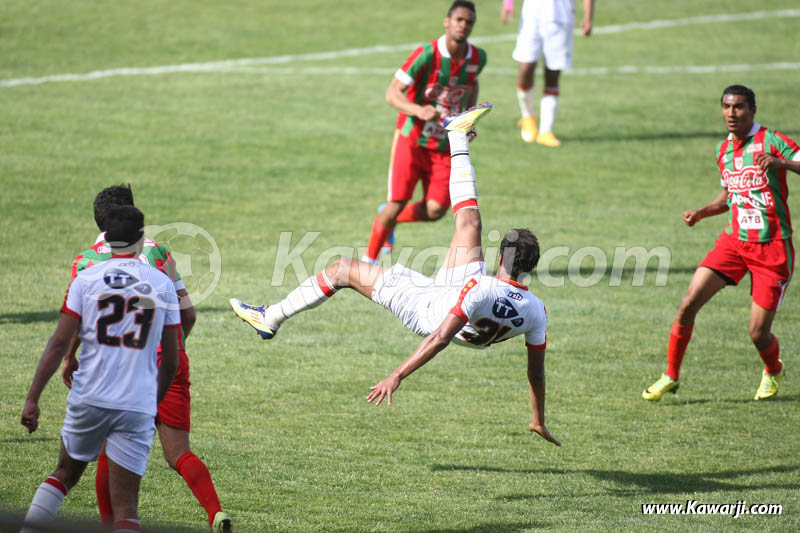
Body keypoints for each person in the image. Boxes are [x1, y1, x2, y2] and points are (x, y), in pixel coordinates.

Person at [231, 104, 559, 444]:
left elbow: (439, 338)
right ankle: (457, 137)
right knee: (469, 221)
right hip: (463, 297)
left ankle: (270, 318)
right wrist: (538, 418)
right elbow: (535, 371)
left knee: (342, 269)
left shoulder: (481, 287)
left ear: (501, 256)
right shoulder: (537, 311)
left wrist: (397, 375)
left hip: (431, 310)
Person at [65, 185, 232, 532]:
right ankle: (216, 512)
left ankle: (111, 525)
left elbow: (76, 322)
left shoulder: (85, 261)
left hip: (121, 367)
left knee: (108, 453)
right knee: (178, 453)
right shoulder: (160, 254)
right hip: (169, 359)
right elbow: (188, 315)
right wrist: (175, 350)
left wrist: (72, 358)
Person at [20, 206, 180, 533]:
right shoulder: (161, 283)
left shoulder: (86, 279)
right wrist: (153, 403)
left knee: (64, 474)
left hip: (89, 396)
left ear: (105, 239)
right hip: (135, 404)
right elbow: (173, 359)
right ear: (141, 239)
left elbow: (58, 343)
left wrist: (33, 398)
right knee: (126, 510)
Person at [643, 85, 800, 402]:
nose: (731, 113)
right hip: (735, 243)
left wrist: (783, 164)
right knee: (688, 303)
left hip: (772, 248)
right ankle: (671, 375)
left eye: (739, 107)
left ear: (753, 110)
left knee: (757, 332)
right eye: (726, 107)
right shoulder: (723, 150)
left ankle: (773, 369)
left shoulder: (773, 141)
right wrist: (702, 212)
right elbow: (730, 196)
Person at [362, 0, 487, 264]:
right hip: (412, 140)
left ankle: (390, 219)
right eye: (459, 20)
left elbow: (471, 86)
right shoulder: (426, 54)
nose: (463, 26)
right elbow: (392, 93)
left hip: (443, 145)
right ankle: (368, 261)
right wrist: (418, 110)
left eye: (469, 22)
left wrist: (467, 122)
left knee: (436, 210)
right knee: (396, 202)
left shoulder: (477, 58)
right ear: (447, 21)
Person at [501, 0, 594, 146]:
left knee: (553, 73)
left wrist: (588, 16)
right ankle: (528, 116)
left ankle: (546, 131)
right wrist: (508, 4)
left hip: (561, 17)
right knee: (526, 68)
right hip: (531, 16)